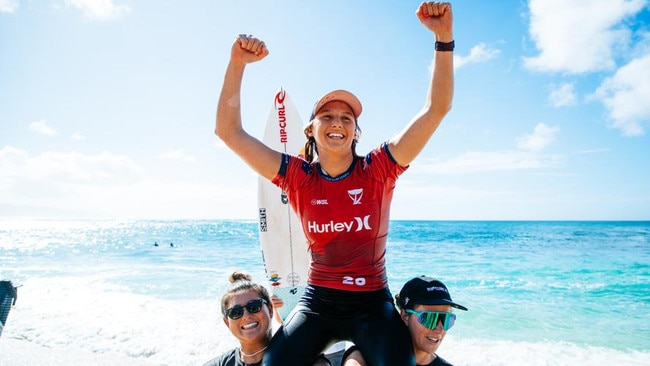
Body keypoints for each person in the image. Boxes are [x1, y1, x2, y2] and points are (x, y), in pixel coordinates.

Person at [215, 2, 454, 364]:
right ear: (311, 128)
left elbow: (436, 108)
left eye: (347, 117)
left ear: (357, 131)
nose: (337, 122)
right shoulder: (297, 176)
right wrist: (236, 65)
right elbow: (228, 132)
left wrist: (443, 39)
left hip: (372, 304)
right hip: (319, 302)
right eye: (327, 116)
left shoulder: (379, 168)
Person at [203, 272, 331, 366]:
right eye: (235, 312)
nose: (246, 316)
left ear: (270, 309)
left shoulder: (302, 358)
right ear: (227, 322)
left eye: (254, 306)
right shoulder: (220, 364)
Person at [340, 276, 468, 366]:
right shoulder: (366, 357)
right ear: (405, 316)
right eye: (431, 318)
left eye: (446, 319)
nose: (439, 329)